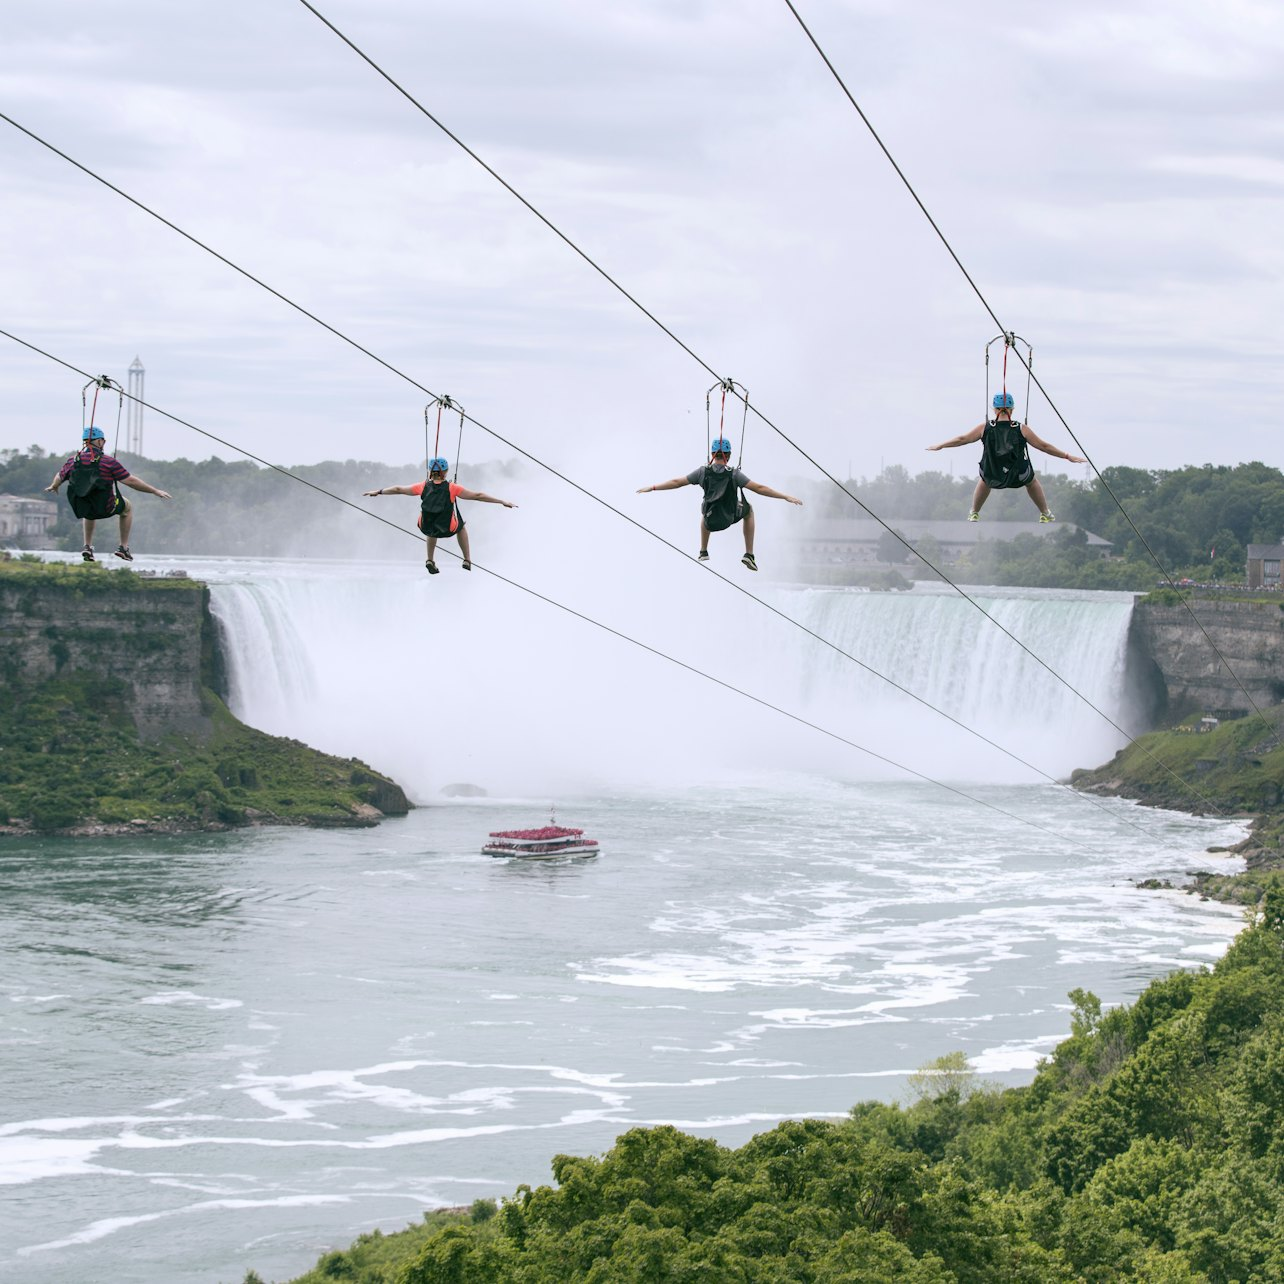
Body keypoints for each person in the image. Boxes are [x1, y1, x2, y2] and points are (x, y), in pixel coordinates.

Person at [636, 438, 803, 571]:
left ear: (712, 454)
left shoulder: (702, 472)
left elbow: (676, 482)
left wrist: (652, 487)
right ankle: (749, 554)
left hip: (710, 522)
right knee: (749, 510)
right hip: (728, 518)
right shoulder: (735, 474)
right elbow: (759, 488)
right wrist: (785, 496)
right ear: (728, 456)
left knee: (705, 509)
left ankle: (703, 550)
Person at [926, 393, 1086, 521]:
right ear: (1012, 409)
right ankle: (1045, 512)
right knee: (1032, 482)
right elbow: (1044, 447)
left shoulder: (985, 427)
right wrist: (1067, 456)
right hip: (1019, 475)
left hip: (992, 473)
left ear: (995, 410)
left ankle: (974, 511)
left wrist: (941, 445)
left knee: (984, 480)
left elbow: (962, 439)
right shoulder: (1021, 428)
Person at [364, 458, 517, 573]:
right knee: (461, 527)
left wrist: (379, 491)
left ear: (430, 471)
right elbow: (477, 495)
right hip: (447, 528)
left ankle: (430, 559)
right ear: (445, 472)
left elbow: (398, 489)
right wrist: (501, 501)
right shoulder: (452, 488)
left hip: (425, 527)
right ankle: (467, 559)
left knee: (430, 523)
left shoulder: (422, 486)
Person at [45, 426, 172, 561]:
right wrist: (154, 491)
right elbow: (131, 481)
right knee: (127, 507)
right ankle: (123, 547)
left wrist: (54, 486)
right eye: (103, 441)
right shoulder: (108, 462)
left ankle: (87, 546)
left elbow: (59, 475)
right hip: (106, 507)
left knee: (88, 502)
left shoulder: (73, 460)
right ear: (99, 442)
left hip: (82, 506)